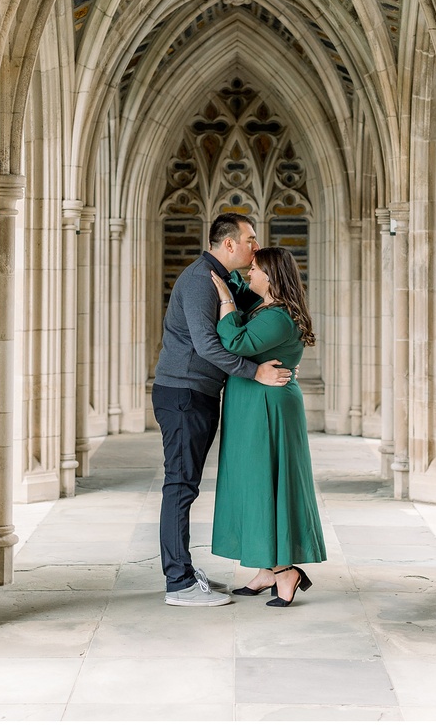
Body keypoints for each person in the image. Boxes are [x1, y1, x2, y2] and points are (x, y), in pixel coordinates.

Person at [152, 213, 292, 607]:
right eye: (250, 239)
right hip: (183, 394)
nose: (256, 247)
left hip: (197, 393)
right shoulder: (201, 280)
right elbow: (208, 346)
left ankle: (182, 570)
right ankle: (178, 582)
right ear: (228, 244)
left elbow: (256, 311)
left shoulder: (224, 279)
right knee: (180, 485)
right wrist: (254, 373)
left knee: (186, 484)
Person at [210, 246, 327, 607]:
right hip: (251, 404)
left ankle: (285, 572)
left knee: (267, 481)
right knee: (252, 483)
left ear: (272, 277)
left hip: (269, 408)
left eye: (256, 269)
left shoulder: (278, 316)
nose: (251, 274)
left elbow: (236, 341)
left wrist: (226, 301)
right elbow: (236, 281)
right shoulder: (264, 306)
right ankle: (265, 569)